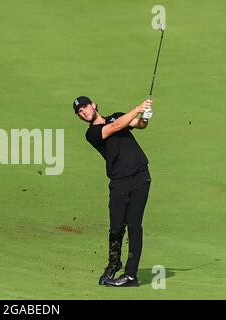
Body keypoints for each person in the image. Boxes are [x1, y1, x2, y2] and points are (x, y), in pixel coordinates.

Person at [73, 96, 153, 287]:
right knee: (117, 226)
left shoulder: (117, 116)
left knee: (135, 226)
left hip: (141, 177)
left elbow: (138, 124)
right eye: (80, 112)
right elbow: (116, 127)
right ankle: (114, 264)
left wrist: (146, 117)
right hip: (119, 182)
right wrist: (139, 107)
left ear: (94, 105)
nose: (83, 112)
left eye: (85, 107)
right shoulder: (92, 133)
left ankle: (131, 275)